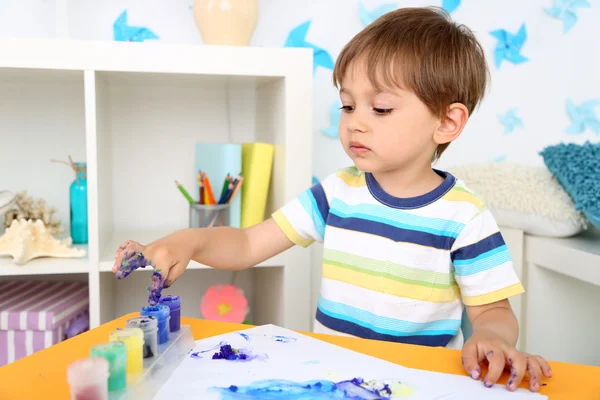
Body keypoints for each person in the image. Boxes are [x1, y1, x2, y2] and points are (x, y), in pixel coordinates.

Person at [112, 6, 551, 393]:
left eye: (379, 109)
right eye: (347, 106)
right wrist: (189, 241)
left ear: (447, 123)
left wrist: (493, 337)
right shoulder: (337, 193)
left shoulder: (465, 216)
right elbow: (248, 244)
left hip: (415, 383)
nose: (356, 123)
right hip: (331, 377)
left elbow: (493, 310)